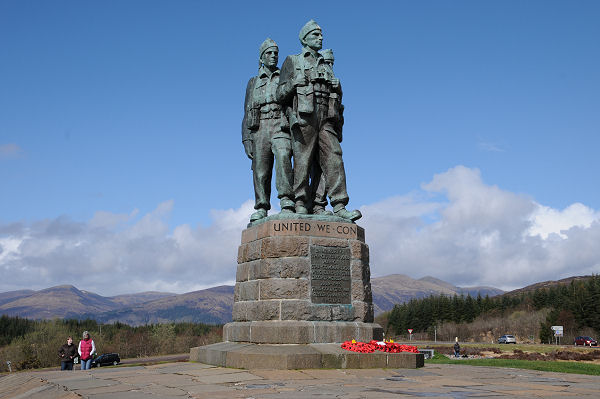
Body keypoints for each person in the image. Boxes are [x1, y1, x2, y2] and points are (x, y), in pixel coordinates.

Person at [277, 20, 360, 221]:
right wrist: (292, 84)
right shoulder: (293, 61)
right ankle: (300, 202)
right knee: (303, 160)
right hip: (305, 116)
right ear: (305, 39)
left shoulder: (325, 63)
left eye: (320, 35)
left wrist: (337, 87)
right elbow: (280, 94)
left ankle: (339, 205)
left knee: (334, 157)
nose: (320, 38)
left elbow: (335, 95)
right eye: (315, 35)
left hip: (326, 116)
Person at [242, 38, 294, 223]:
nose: (273, 56)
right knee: (261, 170)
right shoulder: (253, 82)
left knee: (283, 156)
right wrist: (246, 139)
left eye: (275, 53)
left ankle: (287, 200)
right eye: (269, 53)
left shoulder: (284, 76)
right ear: (261, 57)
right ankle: (262, 206)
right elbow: (246, 111)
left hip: (280, 124)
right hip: (260, 127)